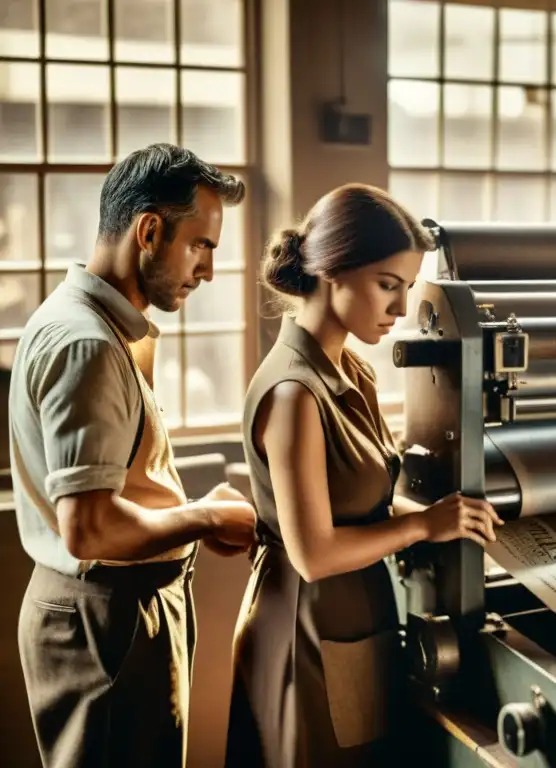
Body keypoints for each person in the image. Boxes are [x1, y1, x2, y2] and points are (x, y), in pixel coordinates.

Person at [224, 183, 502, 767]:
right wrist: (424, 526)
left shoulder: (349, 369)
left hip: (356, 617)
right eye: (388, 286)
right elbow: (315, 553)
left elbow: (369, 505)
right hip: (307, 625)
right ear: (333, 271)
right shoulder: (295, 392)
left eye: (405, 288)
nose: (401, 310)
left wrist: (449, 520)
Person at [8, 143, 259, 768]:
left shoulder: (89, 323)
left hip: (114, 613)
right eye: (200, 245)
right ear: (149, 230)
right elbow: (90, 528)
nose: (206, 270)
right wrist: (203, 518)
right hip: (108, 621)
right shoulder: (87, 343)